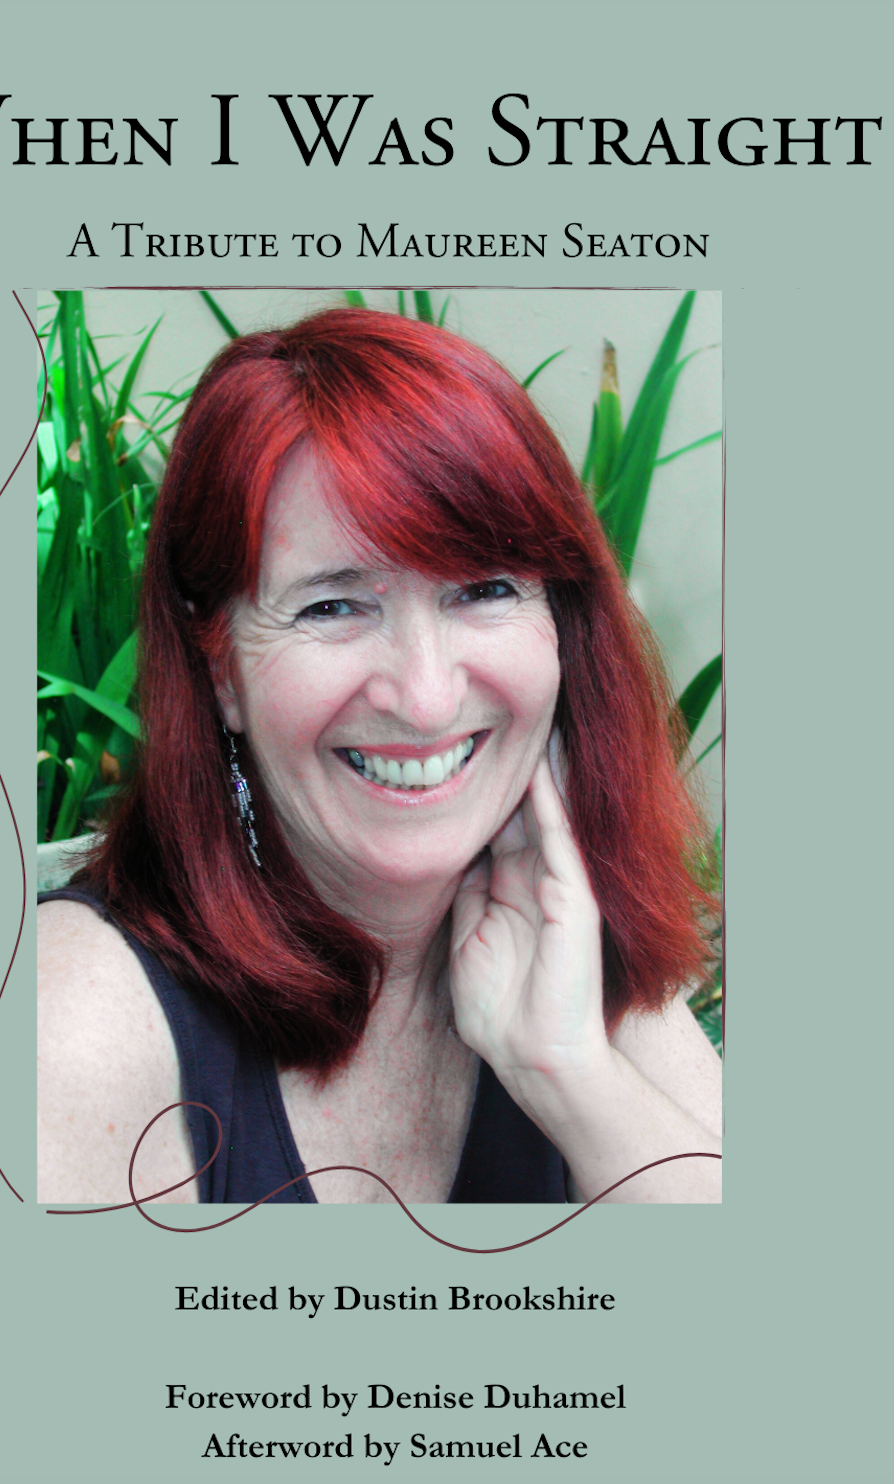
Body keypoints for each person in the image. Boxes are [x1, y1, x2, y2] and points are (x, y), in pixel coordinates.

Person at [38, 306, 722, 1207]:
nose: (427, 698)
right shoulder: (75, 1029)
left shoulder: (568, 942)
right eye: (333, 607)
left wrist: (567, 1071)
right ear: (222, 671)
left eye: (484, 589)